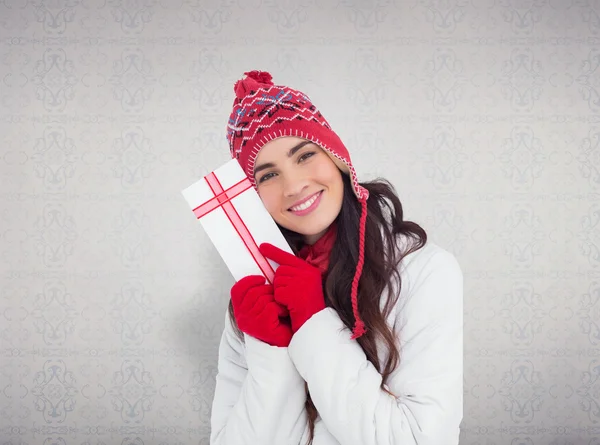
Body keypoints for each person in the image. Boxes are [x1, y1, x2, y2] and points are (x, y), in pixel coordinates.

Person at [209, 70, 463, 445]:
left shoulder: (423, 272)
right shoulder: (256, 300)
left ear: (338, 158)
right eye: (268, 176)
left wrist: (313, 323)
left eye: (305, 155)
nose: (293, 186)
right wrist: (272, 352)